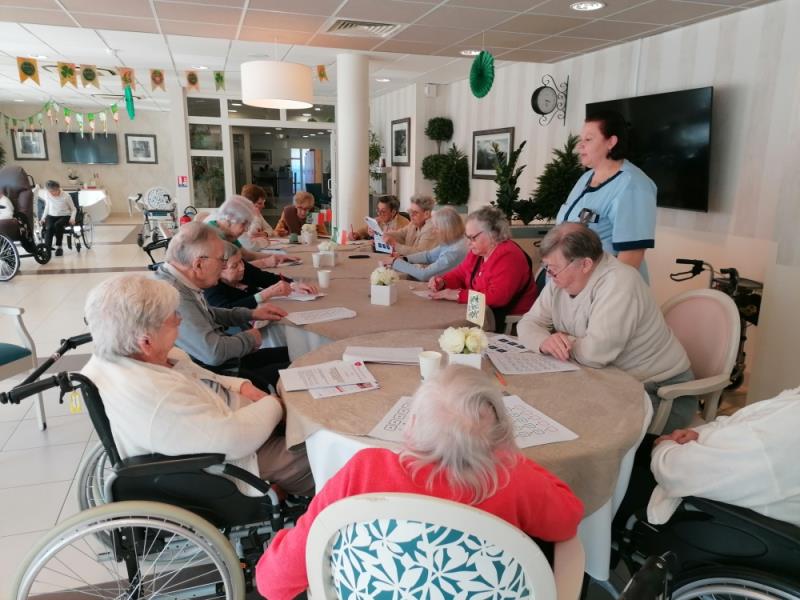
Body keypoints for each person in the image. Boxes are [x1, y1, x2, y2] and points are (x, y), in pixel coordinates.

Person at [255, 366, 584, 600]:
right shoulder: (513, 480)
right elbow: (567, 519)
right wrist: (511, 459)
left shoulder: (364, 471)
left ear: (410, 426)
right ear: (500, 439)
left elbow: (272, 583)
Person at [82, 273, 314, 497]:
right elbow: (233, 439)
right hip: (239, 459)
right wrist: (274, 405)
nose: (179, 319)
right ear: (146, 342)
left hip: (243, 421)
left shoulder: (142, 357)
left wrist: (243, 386)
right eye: (172, 316)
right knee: (319, 447)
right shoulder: (158, 394)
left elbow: (208, 377)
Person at [517, 223, 693, 432]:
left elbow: (596, 354)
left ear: (585, 264)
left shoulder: (620, 282)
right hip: (605, 383)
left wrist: (564, 341)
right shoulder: (560, 281)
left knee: (576, 426)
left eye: (554, 269)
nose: (550, 275)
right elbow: (528, 323)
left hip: (659, 392)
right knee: (542, 407)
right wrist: (545, 341)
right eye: (547, 267)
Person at [153, 221, 289, 391]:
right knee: (297, 366)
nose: (223, 266)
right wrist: (250, 338)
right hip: (213, 377)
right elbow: (213, 353)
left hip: (221, 365)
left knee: (293, 353)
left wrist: (251, 314)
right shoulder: (174, 295)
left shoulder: (178, 279)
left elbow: (207, 313)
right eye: (221, 260)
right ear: (198, 264)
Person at [646, 386, 800, 526]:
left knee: (635, 449)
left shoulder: (782, 431)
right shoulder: (790, 405)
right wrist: (697, 434)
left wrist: (663, 445)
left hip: (719, 516)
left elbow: (675, 471)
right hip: (696, 467)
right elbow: (734, 421)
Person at [556, 110, 657, 282]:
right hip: (573, 284)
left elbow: (631, 256)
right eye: (581, 140)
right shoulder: (585, 178)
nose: (580, 146)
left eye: (588, 139)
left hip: (605, 289)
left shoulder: (634, 185)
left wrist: (605, 293)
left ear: (611, 142)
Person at [428, 206, 537, 332]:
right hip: (482, 312)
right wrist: (443, 281)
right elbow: (461, 273)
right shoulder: (478, 252)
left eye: (473, 238)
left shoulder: (509, 256)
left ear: (493, 234)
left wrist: (458, 295)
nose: (468, 243)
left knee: (445, 329)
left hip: (509, 324)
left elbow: (497, 298)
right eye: (467, 237)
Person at [205, 242, 316, 309]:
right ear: (217, 269)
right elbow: (226, 311)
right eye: (234, 266)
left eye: (241, 261)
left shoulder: (243, 267)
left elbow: (266, 278)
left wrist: (293, 284)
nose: (242, 267)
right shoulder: (210, 286)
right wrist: (264, 294)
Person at [209, 195, 298, 269]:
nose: (246, 230)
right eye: (244, 224)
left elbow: (246, 255)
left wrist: (277, 257)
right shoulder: (212, 236)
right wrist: (264, 262)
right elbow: (228, 269)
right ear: (229, 219)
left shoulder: (228, 234)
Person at [386, 206, 467, 281]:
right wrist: (405, 259)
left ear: (446, 229)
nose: (433, 231)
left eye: (436, 228)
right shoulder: (452, 240)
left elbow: (424, 275)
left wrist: (395, 262)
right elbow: (429, 255)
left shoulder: (454, 251)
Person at [39, 180, 76, 256]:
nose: (51, 193)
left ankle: (59, 247)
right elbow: (47, 207)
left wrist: (72, 218)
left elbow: (74, 209)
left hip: (64, 215)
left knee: (58, 225)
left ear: (58, 188)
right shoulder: (47, 194)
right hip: (51, 215)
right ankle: (47, 249)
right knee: (49, 228)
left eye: (53, 191)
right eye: (50, 191)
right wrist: (43, 218)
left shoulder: (66, 196)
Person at [239, 183, 275, 251]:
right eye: (259, 203)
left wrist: (264, 233)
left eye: (263, 202)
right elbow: (252, 234)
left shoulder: (257, 214)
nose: (263, 206)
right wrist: (256, 217)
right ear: (248, 203)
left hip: (257, 249)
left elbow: (270, 229)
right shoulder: (239, 217)